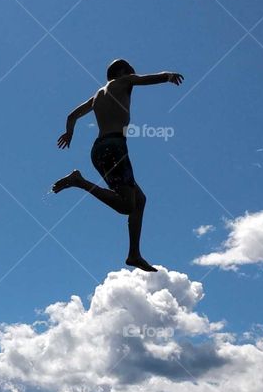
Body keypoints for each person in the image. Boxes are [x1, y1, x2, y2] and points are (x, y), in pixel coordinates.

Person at [52, 58, 183, 271]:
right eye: (131, 71)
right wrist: (167, 76)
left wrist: (69, 133)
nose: (133, 74)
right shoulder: (122, 81)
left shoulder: (97, 95)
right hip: (114, 148)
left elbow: (72, 115)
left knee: (139, 200)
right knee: (126, 205)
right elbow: (145, 79)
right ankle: (80, 181)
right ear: (122, 72)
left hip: (99, 149)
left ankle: (134, 254)